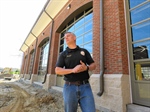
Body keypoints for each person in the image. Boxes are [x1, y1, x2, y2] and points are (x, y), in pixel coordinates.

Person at [55, 32, 96, 112]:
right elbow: (57, 70)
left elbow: (94, 65)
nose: (65, 38)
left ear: (74, 38)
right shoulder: (63, 54)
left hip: (85, 87)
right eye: (65, 37)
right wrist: (73, 70)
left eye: (68, 36)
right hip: (69, 88)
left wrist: (86, 68)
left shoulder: (84, 51)